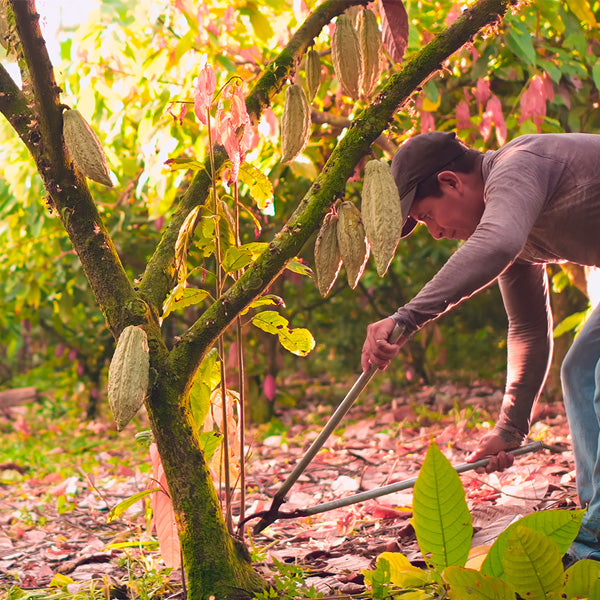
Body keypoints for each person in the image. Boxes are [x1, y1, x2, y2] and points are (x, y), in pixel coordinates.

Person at [360, 131, 600, 564]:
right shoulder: (512, 223)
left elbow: (497, 243)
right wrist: (509, 429)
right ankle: (594, 523)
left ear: (451, 182)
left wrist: (406, 316)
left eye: (428, 216)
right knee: (579, 371)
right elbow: (528, 327)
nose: (434, 233)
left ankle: (594, 538)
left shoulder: (517, 167)